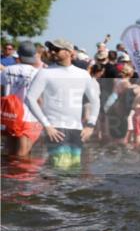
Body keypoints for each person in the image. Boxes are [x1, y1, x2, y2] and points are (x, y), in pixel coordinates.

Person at [24, 38, 100, 167]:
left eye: (56, 49)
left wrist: (91, 125)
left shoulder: (83, 74)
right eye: (51, 49)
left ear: (69, 52)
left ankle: (46, 184)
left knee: (73, 169)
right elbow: (30, 98)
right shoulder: (45, 73)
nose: (52, 52)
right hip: (56, 128)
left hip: (77, 129)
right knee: (61, 167)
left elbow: (95, 101)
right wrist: (47, 126)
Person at [1, 41, 43, 156]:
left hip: (9, 115)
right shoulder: (36, 73)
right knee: (23, 154)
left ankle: (6, 173)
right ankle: (22, 174)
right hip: (28, 116)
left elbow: (1, 90)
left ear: (18, 54)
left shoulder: (7, 70)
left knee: (9, 151)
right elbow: (39, 98)